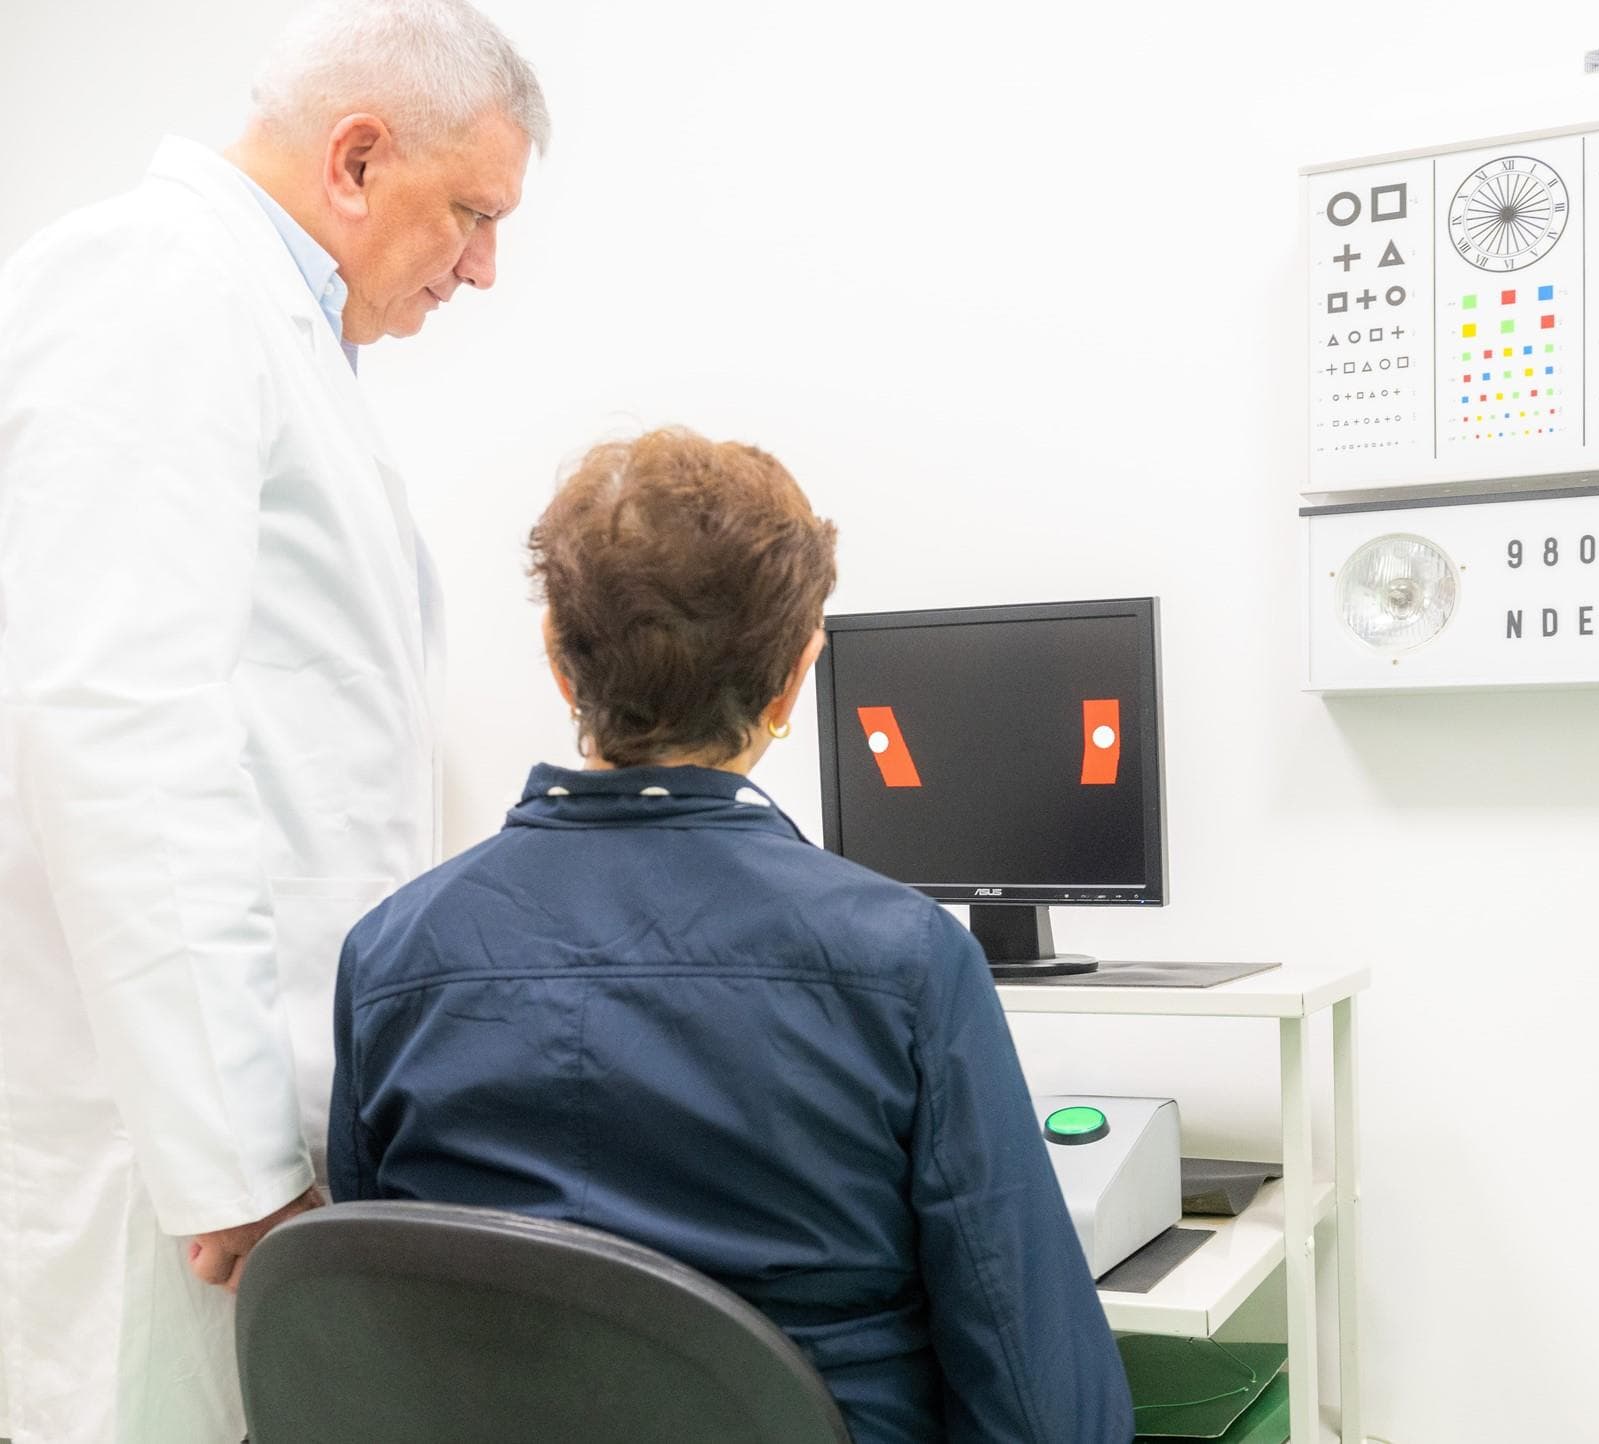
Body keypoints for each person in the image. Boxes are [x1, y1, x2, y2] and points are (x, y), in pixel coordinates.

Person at [328, 429, 1136, 1442]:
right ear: (797, 676)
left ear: (558, 659)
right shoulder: (905, 961)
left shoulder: (388, 957)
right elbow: (1041, 1397)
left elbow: (364, 1330)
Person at [0, 3, 546, 1440]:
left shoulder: (269, 329)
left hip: (255, 1108)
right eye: (473, 214)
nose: (485, 266)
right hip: (174, 1159)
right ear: (357, 157)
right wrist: (233, 1155)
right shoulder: (154, 283)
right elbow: (115, 715)